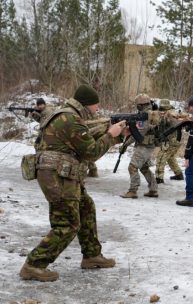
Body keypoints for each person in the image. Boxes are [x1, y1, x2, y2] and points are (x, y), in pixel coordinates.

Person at [19, 84, 127, 282]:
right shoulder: (71, 119)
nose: (97, 110)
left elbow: (79, 143)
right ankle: (34, 264)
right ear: (87, 105)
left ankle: (91, 255)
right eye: (96, 106)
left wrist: (115, 135)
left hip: (60, 173)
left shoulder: (65, 115)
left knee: (86, 206)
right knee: (67, 222)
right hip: (57, 175)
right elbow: (91, 152)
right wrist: (111, 135)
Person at [120, 93, 159, 198]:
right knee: (144, 168)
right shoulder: (149, 113)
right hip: (147, 144)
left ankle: (133, 191)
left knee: (132, 167)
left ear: (141, 105)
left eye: (137, 105)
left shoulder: (145, 116)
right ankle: (153, 189)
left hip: (145, 145)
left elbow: (139, 133)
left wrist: (125, 144)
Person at [155, 99, 184, 183]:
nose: (162, 111)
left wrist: (164, 117)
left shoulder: (171, 114)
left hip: (171, 141)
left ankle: (158, 178)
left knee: (161, 157)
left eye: (163, 109)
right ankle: (179, 175)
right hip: (174, 141)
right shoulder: (168, 114)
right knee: (170, 158)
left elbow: (174, 123)